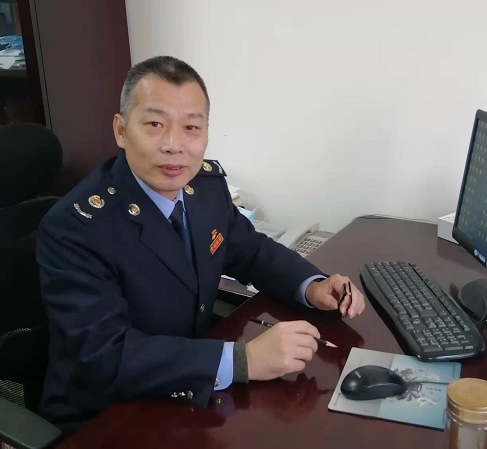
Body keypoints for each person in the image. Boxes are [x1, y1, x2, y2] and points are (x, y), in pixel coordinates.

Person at [36, 55, 365, 432]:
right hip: (106, 415)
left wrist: (313, 285)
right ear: (121, 130)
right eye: (155, 125)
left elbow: (251, 251)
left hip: (189, 395)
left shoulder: (204, 189)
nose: (174, 145)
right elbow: (103, 356)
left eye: (191, 127)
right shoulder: (76, 228)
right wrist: (241, 361)